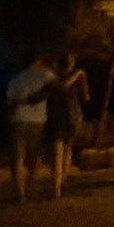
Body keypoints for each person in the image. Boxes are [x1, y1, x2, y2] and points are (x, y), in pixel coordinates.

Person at [6, 54, 56, 203]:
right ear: (38, 60)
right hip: (37, 121)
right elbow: (56, 88)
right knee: (34, 157)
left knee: (18, 158)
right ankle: (29, 188)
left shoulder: (15, 79)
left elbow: (10, 103)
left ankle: (21, 194)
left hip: (18, 120)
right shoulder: (46, 74)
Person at [44, 54, 90, 199]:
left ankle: (59, 185)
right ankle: (59, 185)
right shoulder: (57, 78)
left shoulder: (52, 77)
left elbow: (85, 96)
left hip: (63, 118)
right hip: (65, 118)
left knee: (62, 150)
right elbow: (66, 88)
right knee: (63, 150)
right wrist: (79, 75)